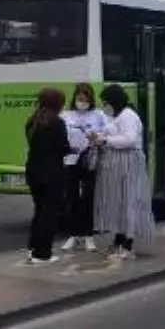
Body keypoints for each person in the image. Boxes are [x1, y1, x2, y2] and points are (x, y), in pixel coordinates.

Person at [92, 84, 156, 259]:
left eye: (106, 102)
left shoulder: (128, 116)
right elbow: (108, 132)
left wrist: (105, 140)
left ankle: (128, 245)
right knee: (118, 203)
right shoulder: (117, 116)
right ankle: (119, 240)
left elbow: (129, 139)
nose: (105, 106)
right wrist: (97, 136)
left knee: (128, 202)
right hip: (118, 165)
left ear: (114, 100)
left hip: (128, 164)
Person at [24, 87, 71, 263]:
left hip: (34, 171)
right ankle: (43, 253)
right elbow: (63, 148)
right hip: (52, 173)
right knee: (49, 215)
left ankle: (32, 248)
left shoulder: (32, 121)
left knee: (39, 211)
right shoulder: (57, 123)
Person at [61, 82, 107, 252]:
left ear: (90, 99)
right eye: (79, 98)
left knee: (88, 198)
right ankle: (73, 235)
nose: (82, 102)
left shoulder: (98, 115)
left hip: (89, 160)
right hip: (70, 161)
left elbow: (106, 133)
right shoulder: (66, 115)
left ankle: (89, 236)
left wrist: (96, 137)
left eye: (85, 99)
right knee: (71, 198)